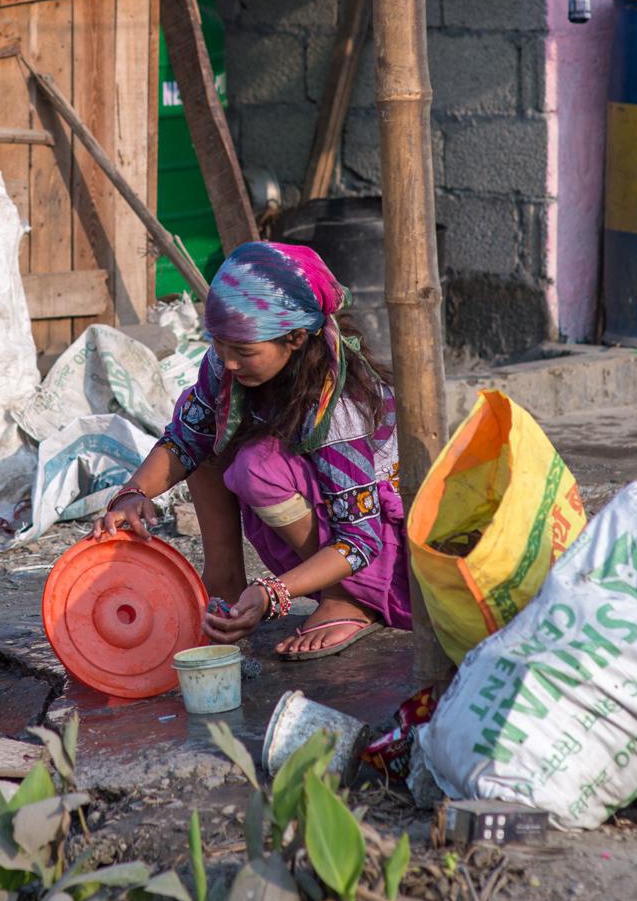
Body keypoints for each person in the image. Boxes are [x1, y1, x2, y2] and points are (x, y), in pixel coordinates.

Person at [92, 240, 410, 659]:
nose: (228, 362)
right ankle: (222, 579)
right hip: (326, 525)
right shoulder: (225, 365)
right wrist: (133, 494)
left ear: (295, 338)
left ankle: (346, 599)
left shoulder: (340, 407)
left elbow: (360, 539)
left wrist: (271, 592)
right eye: (220, 346)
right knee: (211, 439)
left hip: (379, 558)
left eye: (244, 352)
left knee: (255, 466)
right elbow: (185, 439)